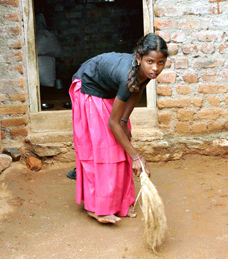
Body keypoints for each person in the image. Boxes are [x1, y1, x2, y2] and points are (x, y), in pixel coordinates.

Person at [68, 33, 169, 224]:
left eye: (161, 62)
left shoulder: (146, 73)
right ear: (139, 58)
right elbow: (112, 123)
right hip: (89, 85)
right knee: (104, 148)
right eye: (150, 61)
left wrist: (124, 120)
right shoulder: (126, 76)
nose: (156, 68)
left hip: (107, 89)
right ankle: (96, 208)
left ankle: (119, 203)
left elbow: (135, 92)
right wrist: (137, 156)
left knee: (122, 142)